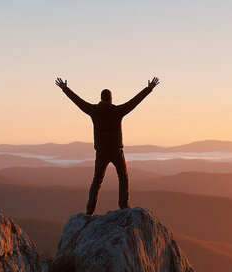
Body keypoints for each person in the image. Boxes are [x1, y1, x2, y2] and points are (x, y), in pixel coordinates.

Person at [55, 77, 160, 215]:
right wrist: (149, 88)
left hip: (101, 152)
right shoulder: (117, 111)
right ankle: (124, 206)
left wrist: (65, 89)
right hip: (116, 151)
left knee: (97, 180)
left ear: (101, 98)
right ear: (111, 98)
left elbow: (78, 101)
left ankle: (89, 211)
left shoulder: (93, 110)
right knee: (123, 177)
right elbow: (134, 102)